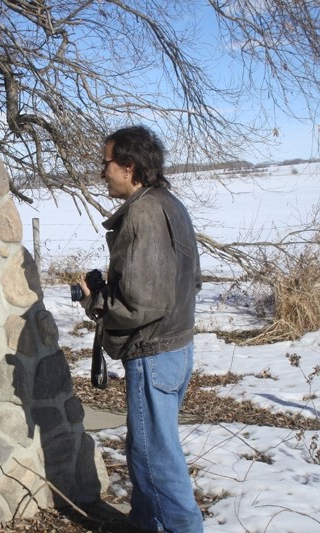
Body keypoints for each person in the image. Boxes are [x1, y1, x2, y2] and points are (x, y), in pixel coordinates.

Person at [79, 125, 204, 533]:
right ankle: (144, 524)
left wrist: (95, 301)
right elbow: (181, 281)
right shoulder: (168, 203)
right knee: (146, 449)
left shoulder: (145, 213)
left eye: (107, 163)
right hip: (173, 348)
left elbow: (143, 303)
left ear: (129, 167)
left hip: (154, 352)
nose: (103, 172)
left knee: (157, 458)